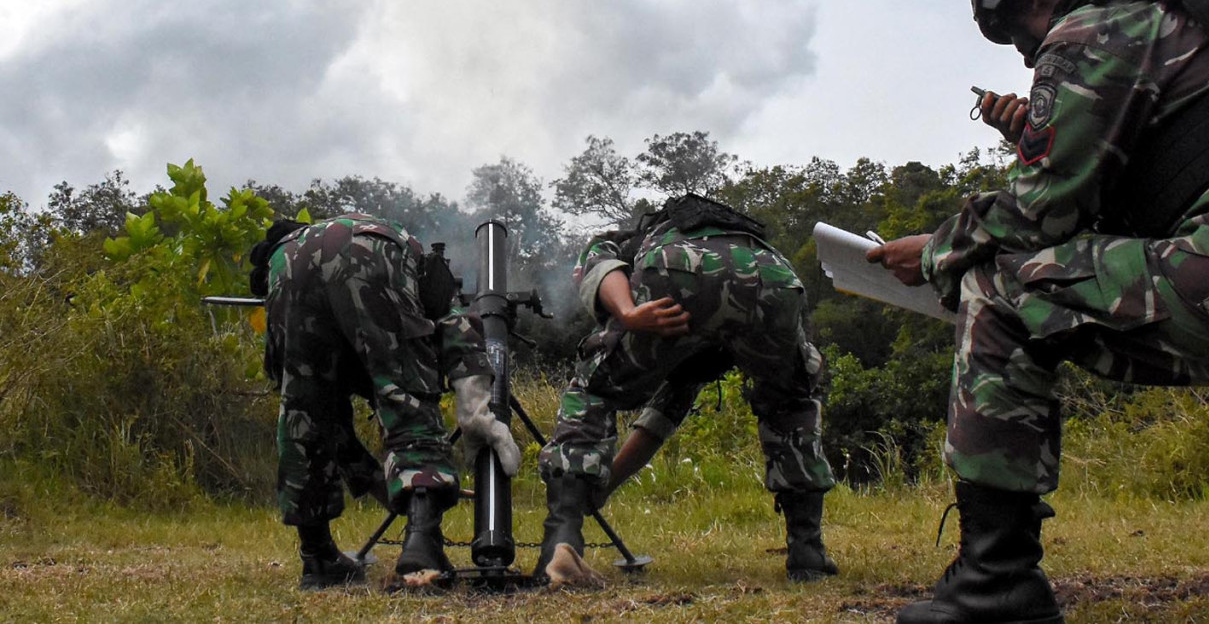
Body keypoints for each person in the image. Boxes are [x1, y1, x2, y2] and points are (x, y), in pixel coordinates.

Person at [868, 0, 1209, 624]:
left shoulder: (1099, 23)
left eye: (1019, 27)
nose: (1028, 52)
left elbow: (1038, 215)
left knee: (1000, 282)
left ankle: (995, 583)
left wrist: (934, 248)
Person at [534, 194, 838, 585]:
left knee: (594, 392)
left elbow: (599, 261)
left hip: (676, 272)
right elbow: (659, 421)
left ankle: (561, 544)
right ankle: (808, 554)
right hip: (774, 277)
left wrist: (627, 313)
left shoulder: (631, 239)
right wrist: (605, 487)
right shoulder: (733, 248)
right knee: (791, 405)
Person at [248, 214, 521, 590]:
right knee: (407, 396)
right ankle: (421, 552)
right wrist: (476, 412)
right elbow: (454, 324)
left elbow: (319, 420)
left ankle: (318, 560)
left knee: (302, 413)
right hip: (373, 248)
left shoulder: (288, 257)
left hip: (288, 261)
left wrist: (383, 483)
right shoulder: (417, 271)